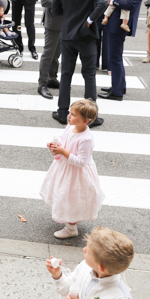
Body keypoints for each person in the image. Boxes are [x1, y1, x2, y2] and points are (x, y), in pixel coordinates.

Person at [51, 0, 107, 128]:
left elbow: (55, 10)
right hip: (87, 35)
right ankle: (91, 117)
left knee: (66, 74)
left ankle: (62, 112)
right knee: (89, 75)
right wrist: (89, 20)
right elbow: (102, 3)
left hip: (68, 34)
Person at [41, 99, 104, 238]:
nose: (69, 116)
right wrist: (55, 145)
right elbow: (64, 138)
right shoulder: (71, 126)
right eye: (70, 112)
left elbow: (81, 161)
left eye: (73, 115)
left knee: (73, 198)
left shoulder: (86, 139)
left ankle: (71, 228)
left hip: (77, 173)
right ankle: (68, 220)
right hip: (66, 167)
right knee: (63, 194)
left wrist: (63, 152)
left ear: (85, 121)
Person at [46, 226, 135, 299]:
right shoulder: (85, 266)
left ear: (100, 267)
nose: (84, 249)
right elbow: (68, 290)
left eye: (88, 251)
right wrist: (58, 276)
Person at [99, 0, 146, 102]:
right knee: (115, 56)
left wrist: (113, 1)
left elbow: (131, 4)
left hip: (119, 24)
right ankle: (119, 86)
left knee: (114, 57)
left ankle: (117, 92)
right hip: (115, 22)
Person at [38, 0, 72, 100]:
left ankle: (52, 78)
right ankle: (42, 84)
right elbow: (45, 0)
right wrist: (64, 4)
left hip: (62, 21)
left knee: (56, 53)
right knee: (48, 54)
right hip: (53, 21)